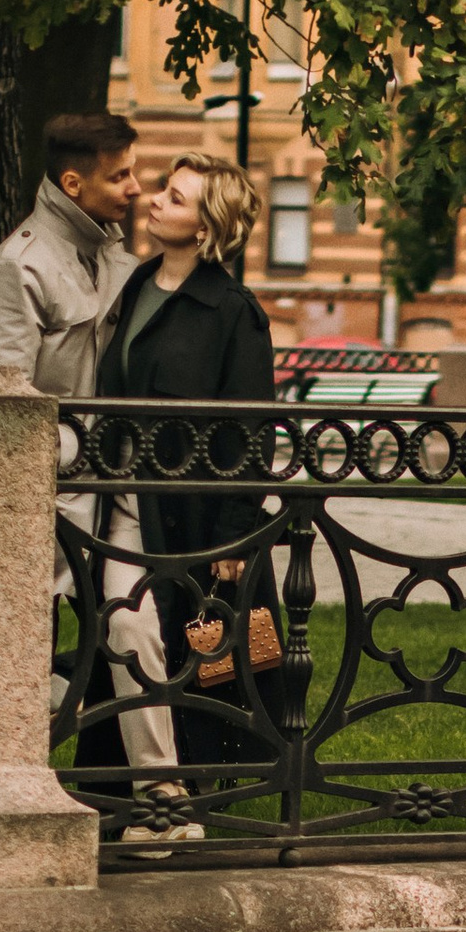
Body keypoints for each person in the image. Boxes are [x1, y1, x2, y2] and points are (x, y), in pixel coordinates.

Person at [0, 111, 195, 844]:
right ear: (75, 182)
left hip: (119, 486)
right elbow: (2, 410)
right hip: (46, 497)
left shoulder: (121, 261)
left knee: (135, 626)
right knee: (15, 653)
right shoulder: (16, 268)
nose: (135, 187)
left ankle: (162, 804)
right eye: (120, 175)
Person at [102, 154, 280, 796]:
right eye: (162, 190)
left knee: (207, 656)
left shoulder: (234, 311)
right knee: (128, 627)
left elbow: (251, 435)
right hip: (122, 508)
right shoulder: (131, 285)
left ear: (206, 229)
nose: (153, 201)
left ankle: (188, 792)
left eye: (175, 199)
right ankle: (160, 790)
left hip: (195, 520)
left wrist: (232, 543)